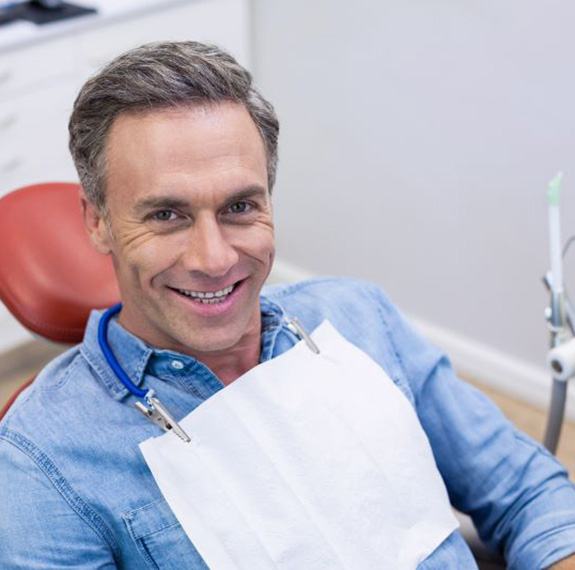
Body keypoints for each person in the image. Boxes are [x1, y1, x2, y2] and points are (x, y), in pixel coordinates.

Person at [0, 41, 575, 570]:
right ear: (97, 221)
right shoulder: (42, 460)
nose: (214, 257)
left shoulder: (356, 317)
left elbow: (529, 492)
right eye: (165, 214)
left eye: (240, 207)